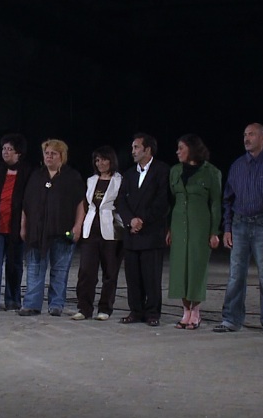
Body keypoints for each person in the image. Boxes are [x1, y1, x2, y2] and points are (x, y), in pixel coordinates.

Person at [214, 123, 263, 338]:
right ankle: (231, 319)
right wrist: (227, 228)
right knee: (235, 275)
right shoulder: (237, 165)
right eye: (245, 135)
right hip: (239, 224)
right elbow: (228, 199)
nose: (247, 138)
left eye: (251, 134)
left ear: (262, 138)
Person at [19, 139, 86, 317]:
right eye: (46, 153)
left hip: (63, 232)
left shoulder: (72, 177)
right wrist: (23, 226)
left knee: (60, 270)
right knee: (34, 268)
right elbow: (26, 204)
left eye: (53, 154)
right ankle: (31, 305)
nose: (49, 156)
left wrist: (77, 226)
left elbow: (80, 204)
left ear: (62, 156)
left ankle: (56, 305)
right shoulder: (36, 176)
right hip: (37, 232)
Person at [167, 134, 221, 330]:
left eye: (181, 148)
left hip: (200, 226)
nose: (178, 152)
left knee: (196, 268)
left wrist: (214, 231)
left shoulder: (211, 172)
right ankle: (185, 312)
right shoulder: (175, 171)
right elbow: (171, 201)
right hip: (178, 226)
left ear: (192, 148)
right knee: (180, 268)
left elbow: (215, 203)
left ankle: (196, 312)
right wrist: (169, 228)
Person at [118, 133, 171, 326]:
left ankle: (152, 313)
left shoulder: (162, 170)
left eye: (136, 147)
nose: (133, 151)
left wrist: (142, 221)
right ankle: (135, 311)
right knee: (132, 276)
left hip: (151, 232)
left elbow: (162, 201)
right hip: (131, 233)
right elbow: (121, 200)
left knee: (151, 276)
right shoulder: (129, 174)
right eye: (132, 148)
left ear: (147, 150)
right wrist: (130, 220)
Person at [0, 134, 33, 311]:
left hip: (16, 227)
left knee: (14, 264)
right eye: (4, 149)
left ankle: (13, 299)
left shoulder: (27, 171)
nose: (5, 152)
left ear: (19, 153)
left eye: (10, 149)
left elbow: (28, 200)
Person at [74, 146, 124, 321]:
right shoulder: (91, 180)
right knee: (86, 272)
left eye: (103, 159)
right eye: (97, 160)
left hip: (111, 231)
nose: (100, 163)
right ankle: (84, 308)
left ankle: (105, 308)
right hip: (91, 231)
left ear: (111, 160)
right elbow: (86, 204)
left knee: (110, 273)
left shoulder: (119, 181)